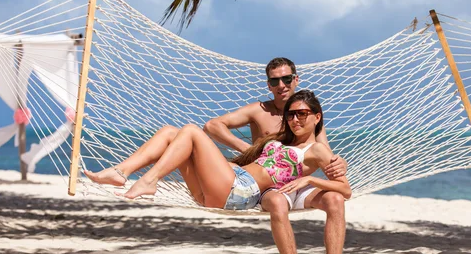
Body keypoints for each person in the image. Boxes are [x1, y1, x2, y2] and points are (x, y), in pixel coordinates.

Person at [204, 57, 361, 254]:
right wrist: (249, 151)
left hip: (299, 182)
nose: (282, 85)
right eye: (275, 80)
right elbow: (213, 126)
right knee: (277, 202)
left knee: (335, 199)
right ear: (268, 84)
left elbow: (324, 152)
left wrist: (340, 163)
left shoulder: (305, 114)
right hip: (268, 184)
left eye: (287, 79)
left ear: (296, 80)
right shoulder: (260, 111)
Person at [85, 90, 353, 218]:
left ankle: (149, 181)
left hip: (241, 192)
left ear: (317, 117)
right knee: (169, 132)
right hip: (219, 188)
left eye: (302, 114)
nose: (295, 119)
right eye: (291, 114)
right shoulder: (284, 140)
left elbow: (345, 189)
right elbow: (215, 127)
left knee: (190, 131)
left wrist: (311, 180)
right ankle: (121, 173)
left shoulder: (317, 149)